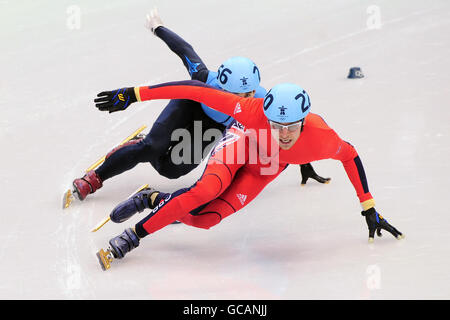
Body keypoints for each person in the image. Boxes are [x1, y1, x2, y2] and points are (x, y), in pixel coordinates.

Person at [93, 80, 404, 268]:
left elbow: (350, 156)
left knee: (205, 220)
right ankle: (132, 237)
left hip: (263, 170)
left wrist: (368, 205)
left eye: (291, 128)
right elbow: (192, 90)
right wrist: (133, 93)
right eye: (275, 126)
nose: (283, 135)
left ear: (304, 122)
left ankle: (154, 200)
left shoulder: (323, 137)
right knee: (203, 192)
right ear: (264, 115)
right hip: (239, 147)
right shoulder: (251, 110)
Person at [72, 9, 329, 202]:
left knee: (171, 170)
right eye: (234, 94)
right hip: (190, 105)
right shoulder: (205, 78)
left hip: (213, 124)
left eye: (248, 94)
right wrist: (158, 27)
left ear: (256, 89)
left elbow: (287, 128)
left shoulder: (264, 101)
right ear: (222, 86)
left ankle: (140, 146)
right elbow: (185, 50)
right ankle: (95, 178)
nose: (242, 100)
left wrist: (303, 162)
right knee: (152, 147)